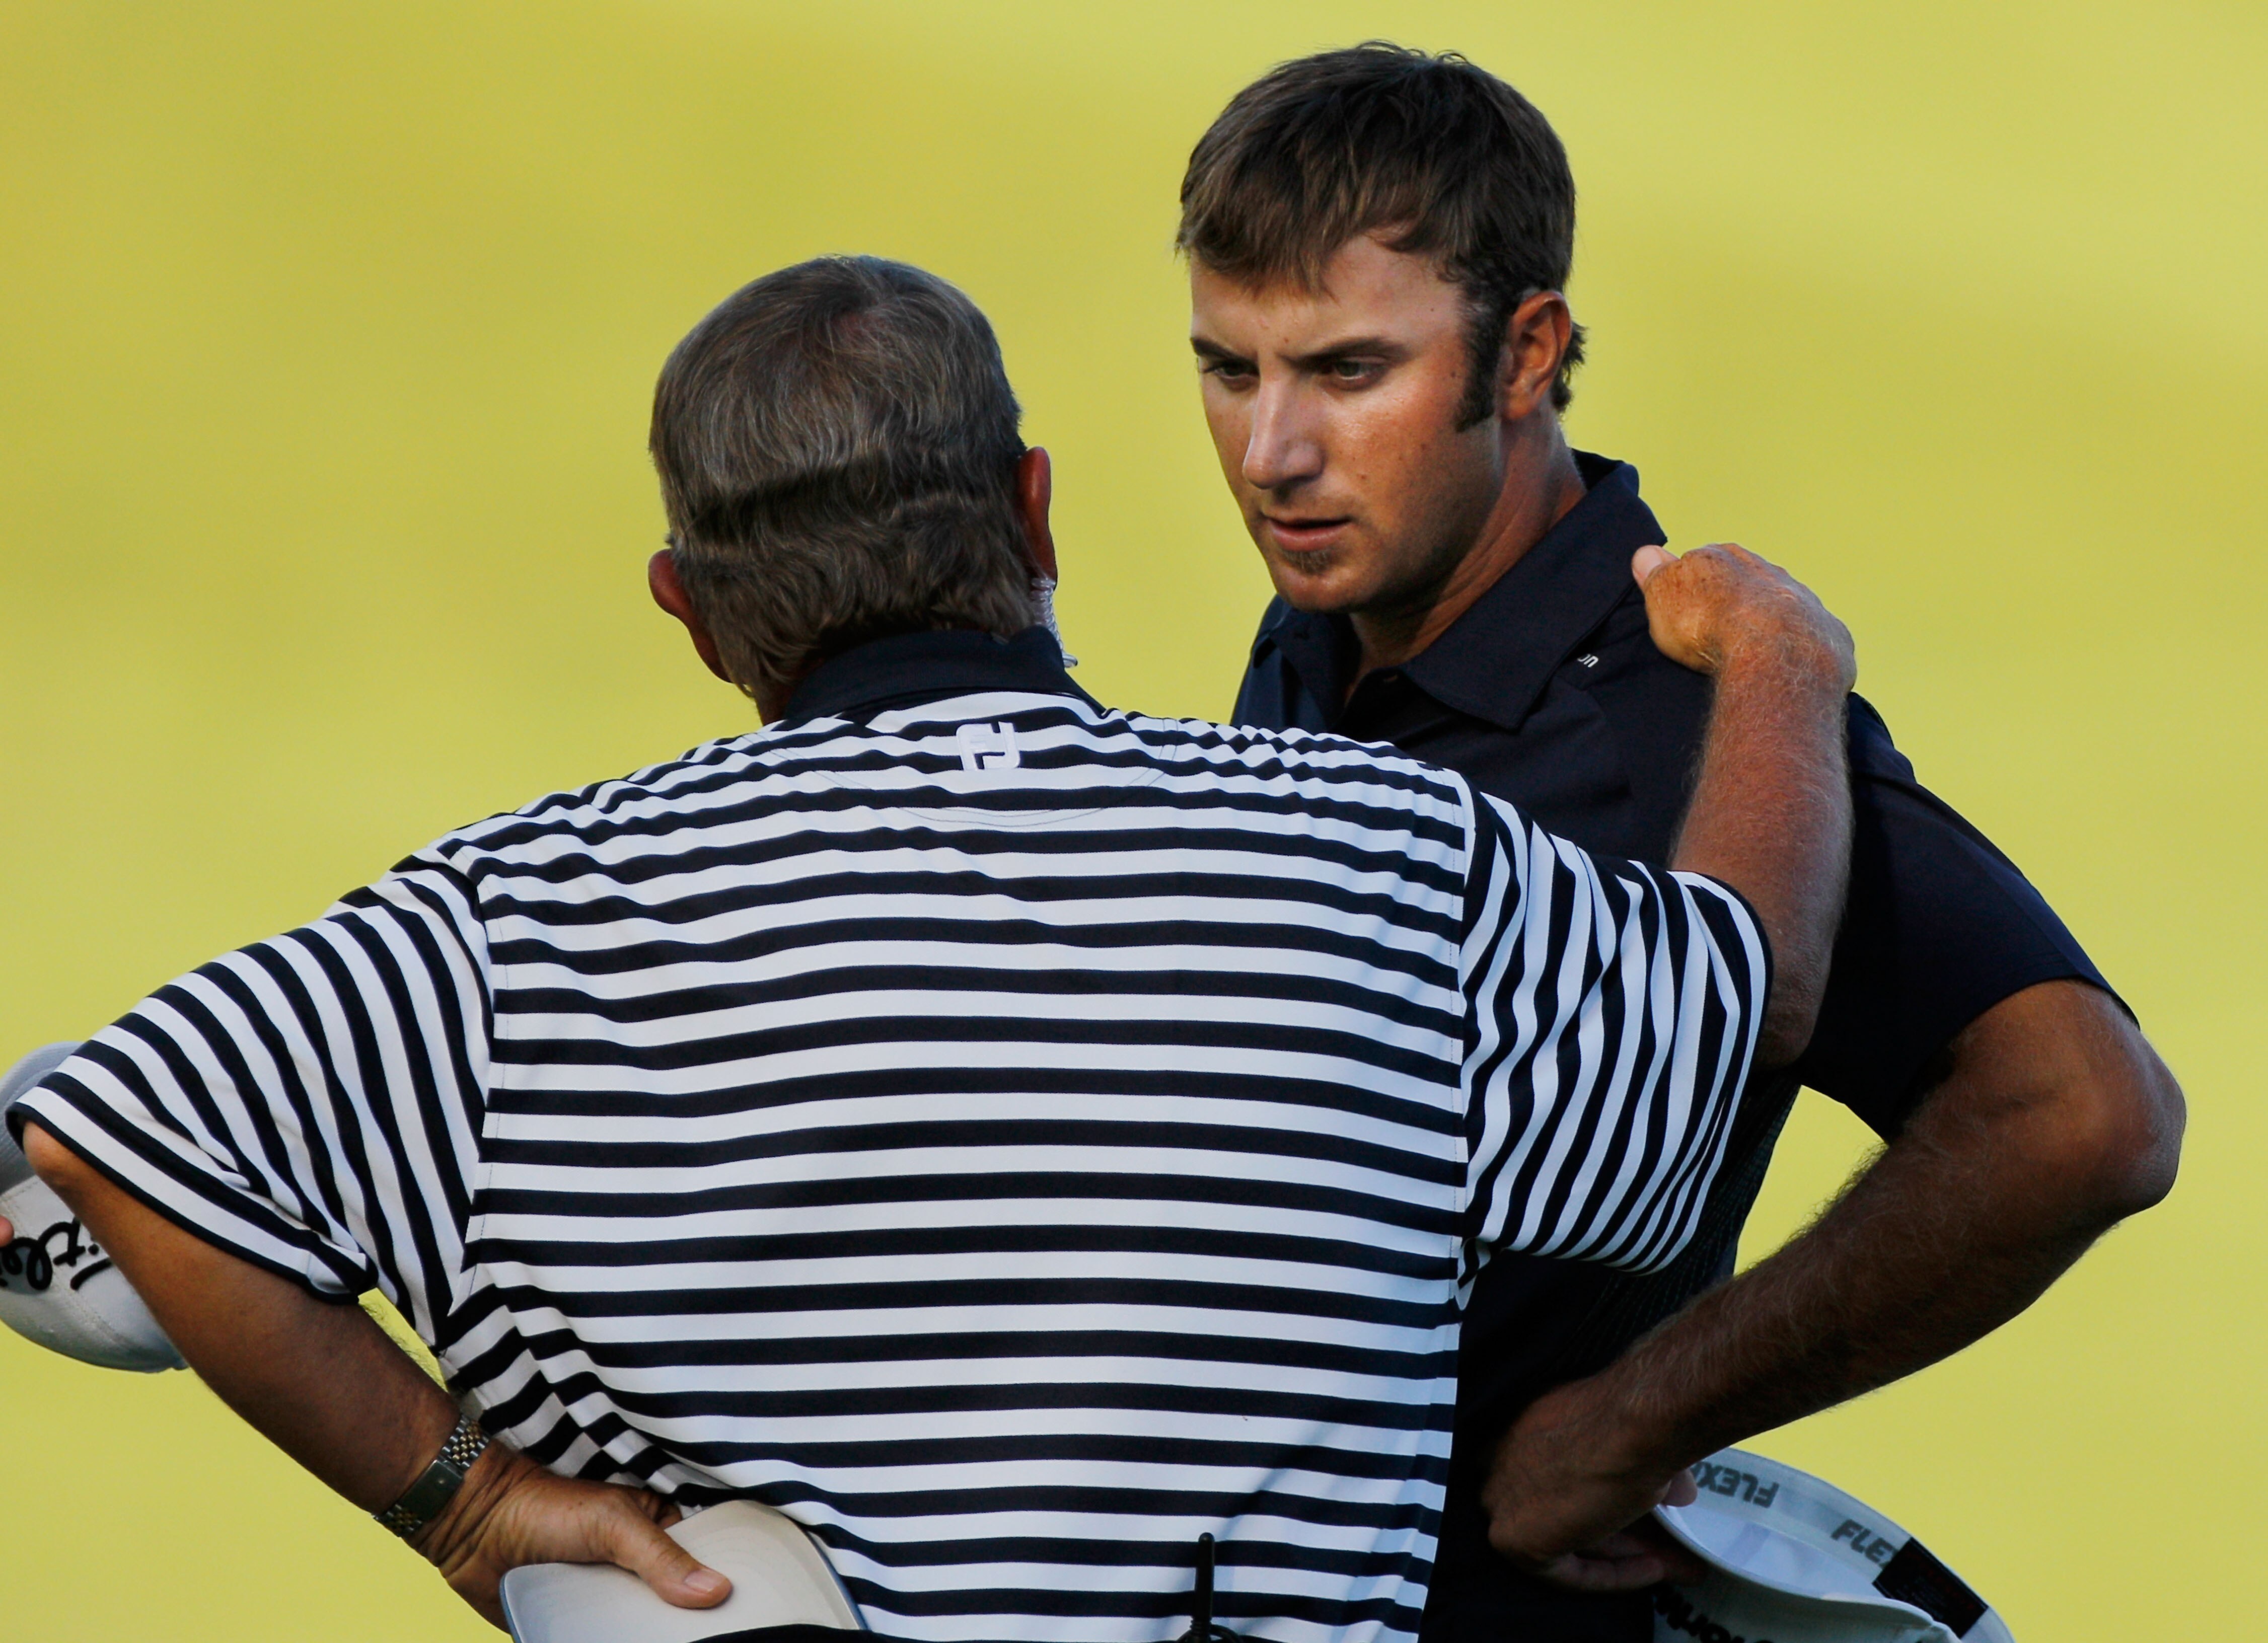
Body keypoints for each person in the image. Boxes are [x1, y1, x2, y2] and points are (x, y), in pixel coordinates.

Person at [14, 255, 1859, 1643]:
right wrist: (1779, 663)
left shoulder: (502, 927)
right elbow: (1736, 1009)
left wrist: (466, 1502)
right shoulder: (1381, 853)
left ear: (695, 611)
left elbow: (114, 1140)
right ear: (1033, 508)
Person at [1177, 43, 2187, 1642]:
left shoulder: (1684, 717)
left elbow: (2080, 1115)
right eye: (1229, 370)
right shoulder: (1331, 621)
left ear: (1527, 355)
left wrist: (1635, 1417)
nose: (1268, 455)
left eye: (1348, 372)